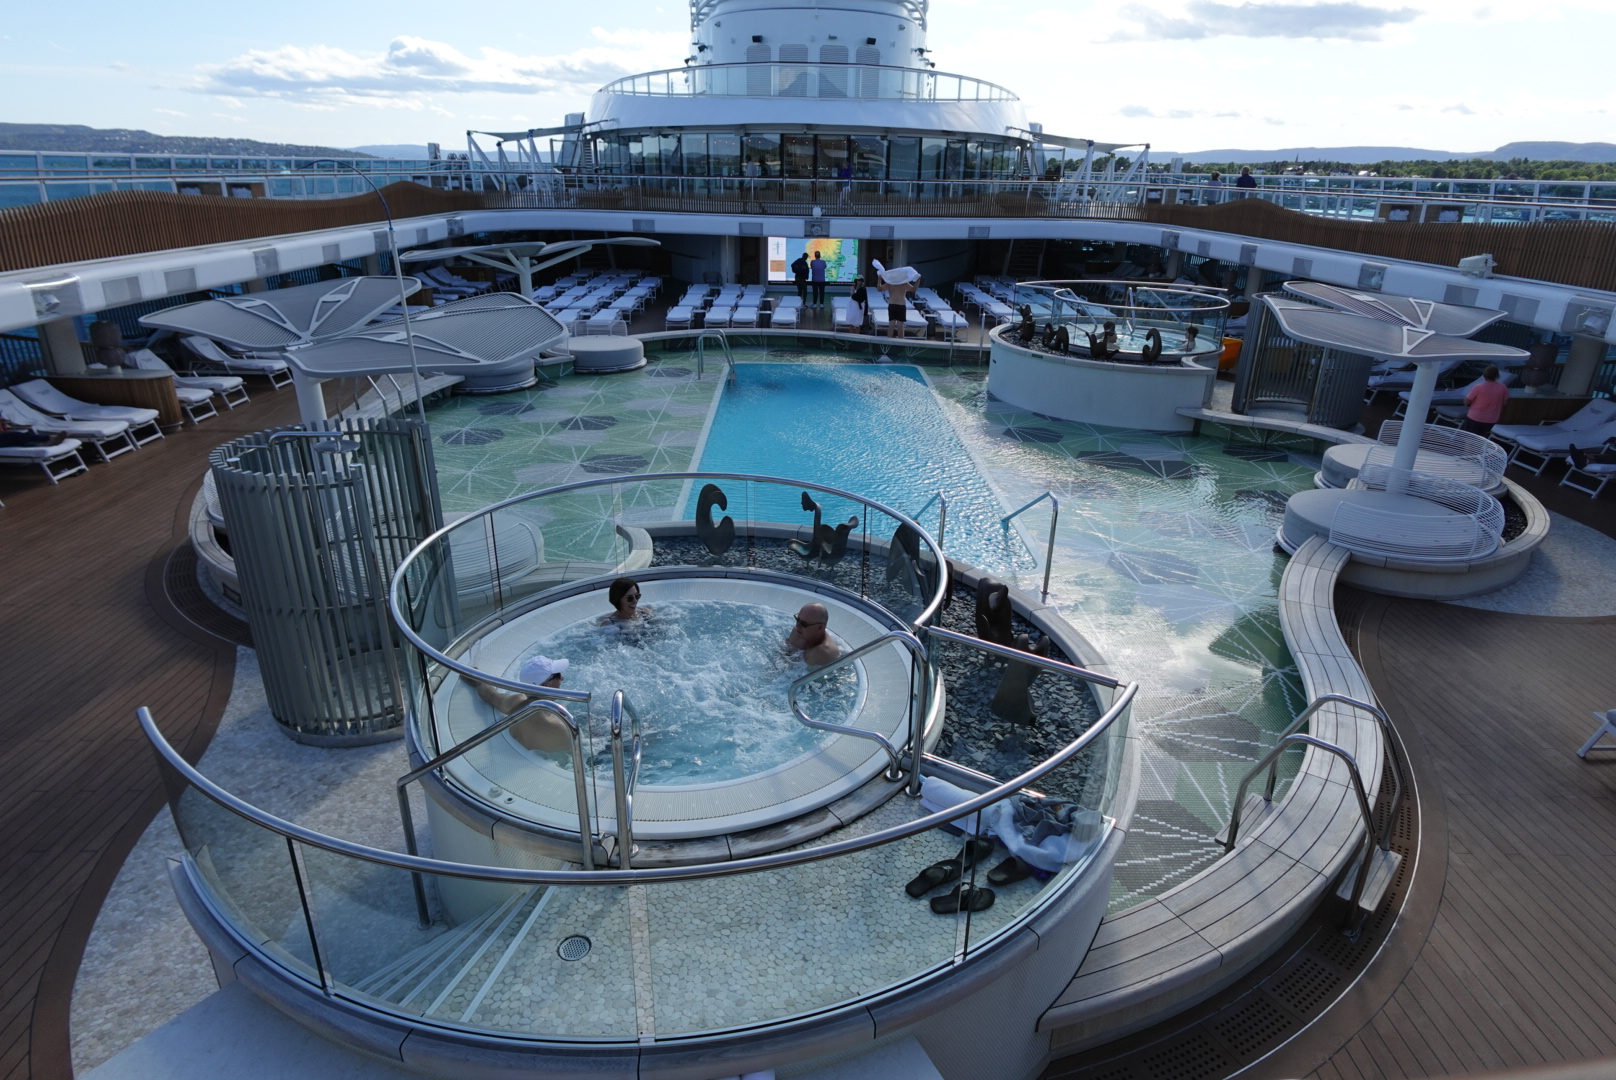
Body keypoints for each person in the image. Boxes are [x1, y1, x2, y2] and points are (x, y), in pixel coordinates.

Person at [472, 653, 569, 717]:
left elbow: (491, 695)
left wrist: (474, 677)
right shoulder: (560, 721)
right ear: (546, 687)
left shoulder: (515, 703)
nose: (562, 678)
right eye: (558, 675)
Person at [785, 602, 840, 667]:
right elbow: (786, 651)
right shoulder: (798, 632)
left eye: (804, 624)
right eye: (798, 620)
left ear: (820, 627)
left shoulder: (821, 652)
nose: (797, 625)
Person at [1461, 364, 1509, 436]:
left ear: (1484, 375)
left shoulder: (1478, 387)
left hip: (1475, 417)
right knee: (1483, 441)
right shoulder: (1503, 387)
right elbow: (1505, 402)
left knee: (1470, 440)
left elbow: (1466, 401)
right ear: (1497, 375)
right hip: (1491, 419)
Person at [878, 268, 921, 340]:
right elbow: (913, 289)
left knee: (891, 325)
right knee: (900, 326)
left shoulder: (890, 283)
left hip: (892, 304)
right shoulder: (903, 283)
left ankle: (889, 342)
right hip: (900, 305)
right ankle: (900, 343)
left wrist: (879, 279)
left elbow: (879, 289)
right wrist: (918, 280)